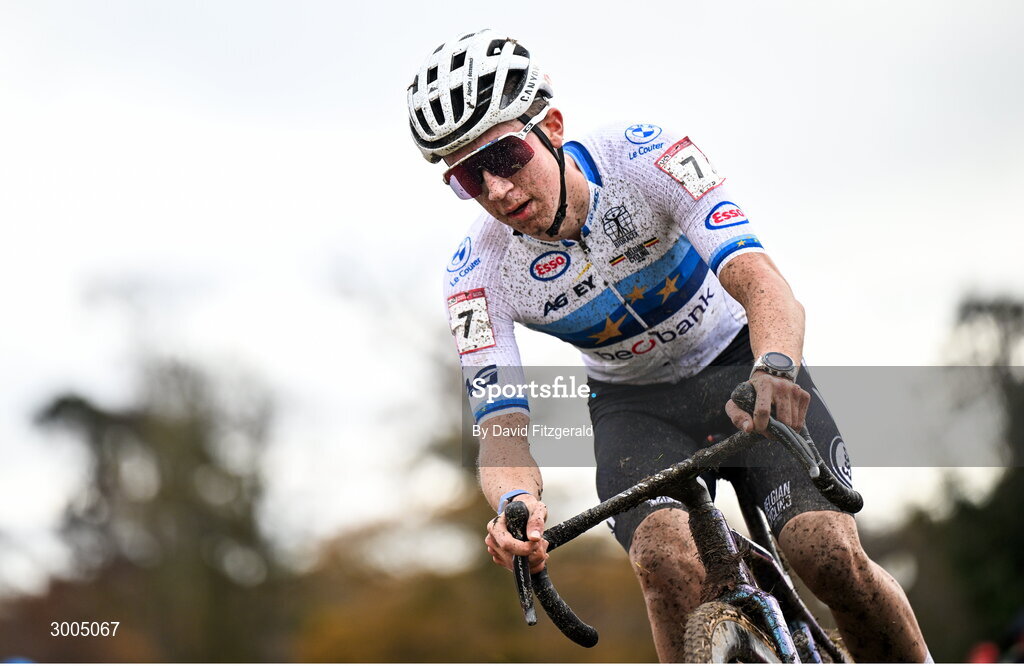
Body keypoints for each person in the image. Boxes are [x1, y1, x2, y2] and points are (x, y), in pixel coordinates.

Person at [409, 29, 930, 662]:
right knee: (663, 562)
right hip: (636, 410)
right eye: (467, 175)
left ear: (552, 125)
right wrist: (516, 503)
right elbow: (501, 426)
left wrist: (774, 366)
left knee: (825, 552)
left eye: (507, 158)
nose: (495, 190)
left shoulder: (646, 157)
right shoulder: (476, 272)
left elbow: (759, 279)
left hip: (740, 364)